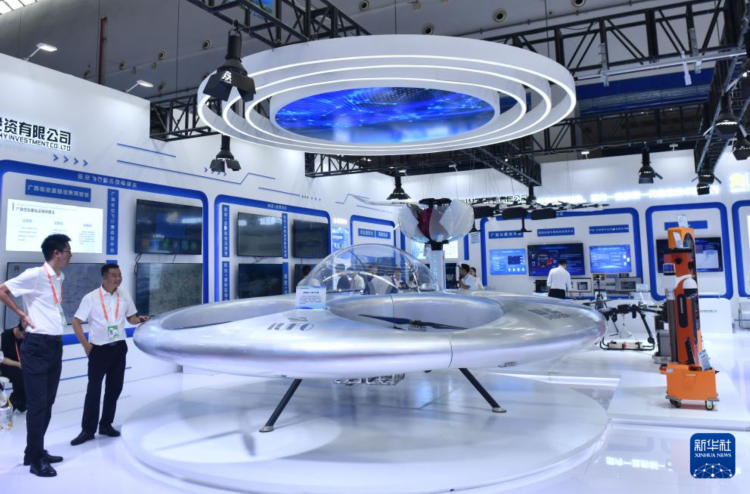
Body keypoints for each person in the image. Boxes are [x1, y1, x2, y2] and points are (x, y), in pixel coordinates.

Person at [0, 234, 72, 477]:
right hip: (36, 346)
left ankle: (34, 451)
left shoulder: (59, 277)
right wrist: (21, 313)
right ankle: (36, 460)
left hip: (54, 345)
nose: (70, 255)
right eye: (67, 250)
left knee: (48, 402)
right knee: (38, 404)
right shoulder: (35, 274)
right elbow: (2, 290)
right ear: (56, 253)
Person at [70, 264, 149, 446]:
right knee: (94, 390)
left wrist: (139, 319)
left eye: (119, 275)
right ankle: (87, 430)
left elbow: (130, 318)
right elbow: (76, 322)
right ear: (104, 278)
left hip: (119, 347)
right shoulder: (91, 298)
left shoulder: (124, 295)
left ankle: (106, 425)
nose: (118, 278)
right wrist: (86, 346)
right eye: (114, 275)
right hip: (98, 349)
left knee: (114, 388)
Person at [1, 323, 27, 412]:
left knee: (29, 373)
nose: (24, 337)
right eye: (23, 334)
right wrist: (18, 364)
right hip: (7, 365)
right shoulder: (5, 336)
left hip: (20, 365)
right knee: (20, 375)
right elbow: (2, 359)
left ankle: (20, 401)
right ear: (18, 330)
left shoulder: (24, 339)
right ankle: (13, 401)